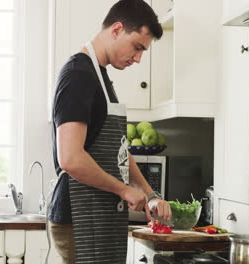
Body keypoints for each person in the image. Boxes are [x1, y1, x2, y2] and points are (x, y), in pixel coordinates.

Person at [49, 0, 172, 263]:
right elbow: (70, 158)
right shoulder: (78, 75)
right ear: (117, 29)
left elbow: (117, 149)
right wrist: (124, 190)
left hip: (98, 213)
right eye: (137, 47)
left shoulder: (99, 75)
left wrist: (149, 193)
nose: (138, 58)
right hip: (79, 217)